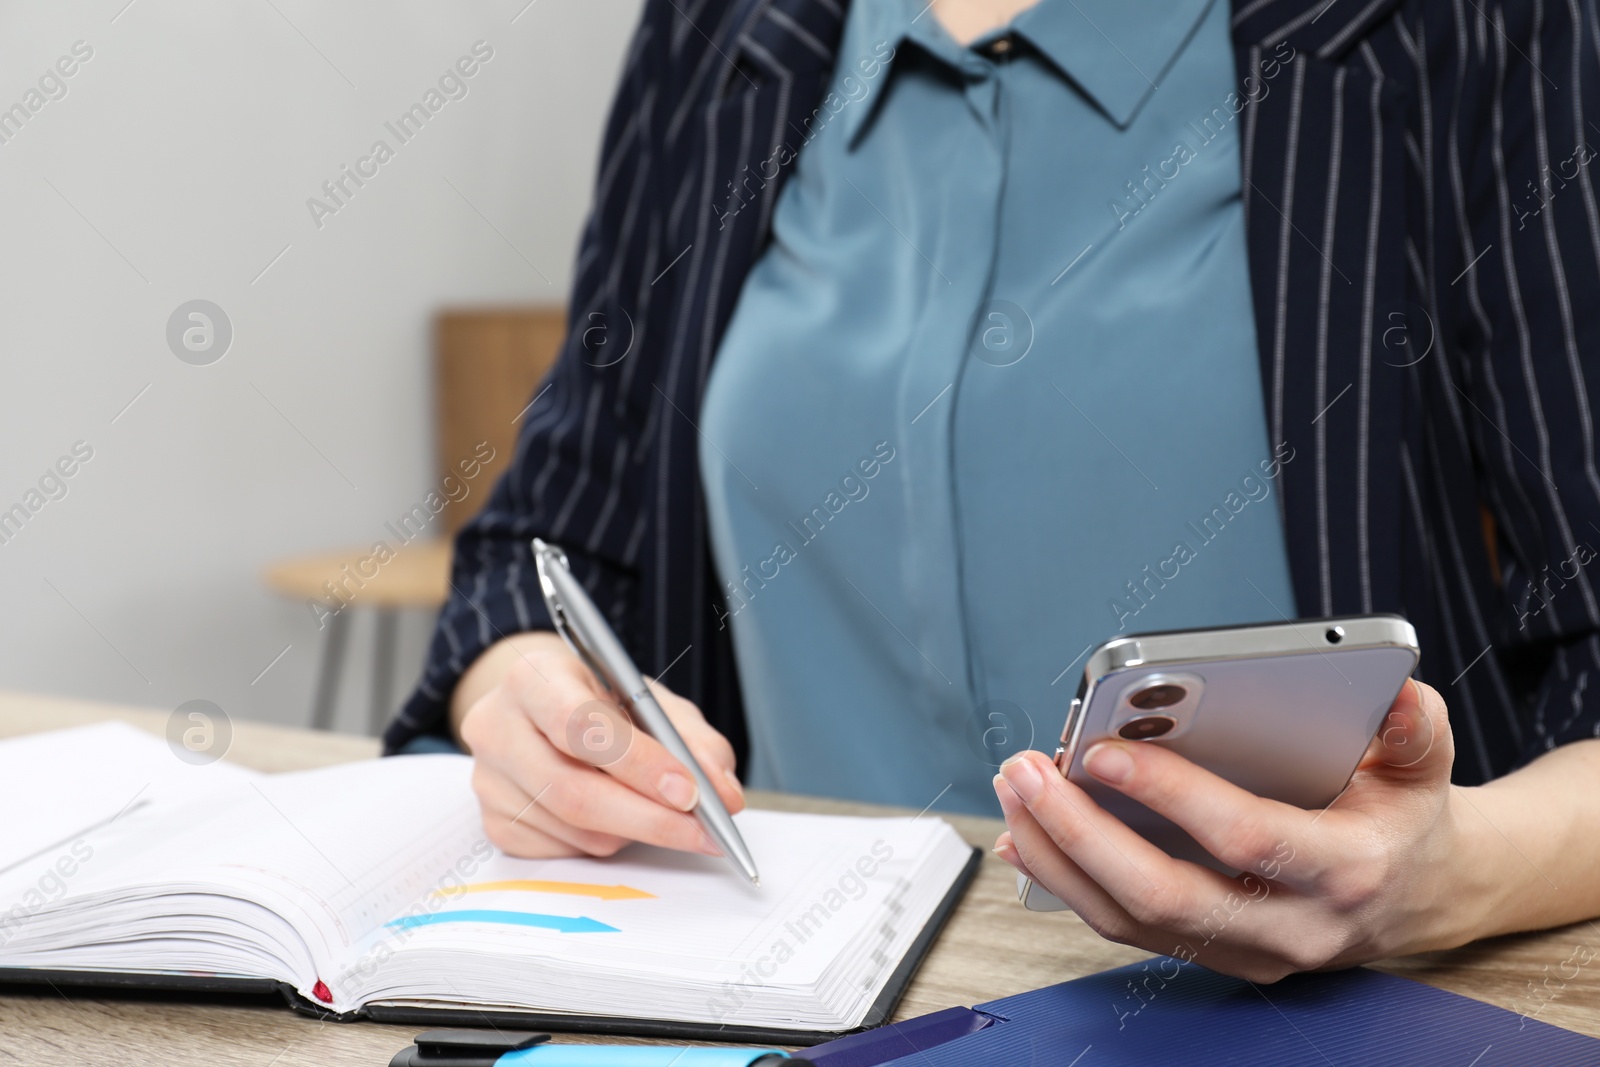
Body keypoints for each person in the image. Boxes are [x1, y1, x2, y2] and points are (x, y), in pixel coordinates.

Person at [386, 0, 1600, 980]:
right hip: (786, 991)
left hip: (1333, 1013)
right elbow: (539, 555)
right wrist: (530, 704)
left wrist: (1444, 870)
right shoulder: (721, 30)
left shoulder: (1469, 26)